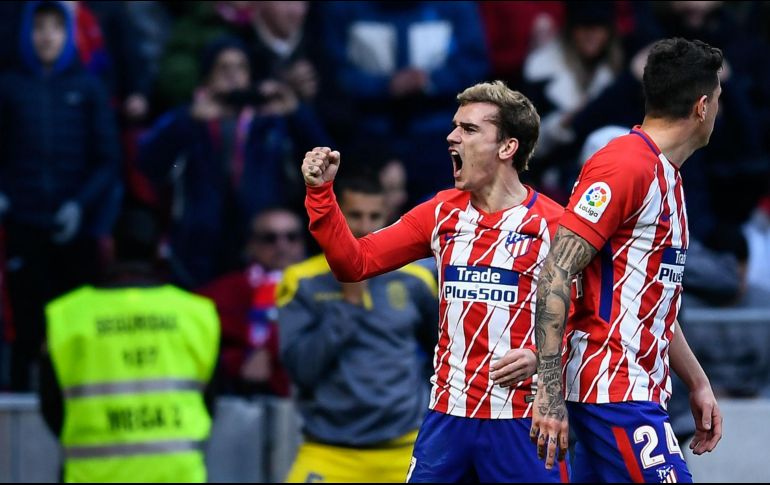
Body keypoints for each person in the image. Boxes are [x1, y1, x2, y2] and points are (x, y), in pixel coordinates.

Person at [299, 81, 567, 482]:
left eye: (469, 129)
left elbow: (594, 319)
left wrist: (545, 359)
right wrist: (321, 194)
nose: (451, 136)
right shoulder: (440, 213)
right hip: (448, 417)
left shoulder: (554, 224)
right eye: (455, 126)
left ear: (507, 147)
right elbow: (355, 263)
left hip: (520, 419)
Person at [530, 37, 724, 482]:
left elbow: (649, 299)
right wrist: (548, 390)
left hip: (638, 388)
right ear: (701, 106)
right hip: (614, 388)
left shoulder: (667, 175)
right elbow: (556, 272)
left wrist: (696, 380)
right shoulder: (624, 165)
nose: (717, 110)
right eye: (717, 100)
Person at [39, 207, 220, 483]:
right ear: (160, 248)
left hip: (91, 475)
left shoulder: (67, 315)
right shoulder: (197, 314)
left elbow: (51, 405)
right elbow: (209, 400)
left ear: (109, 247)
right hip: (176, 474)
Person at [278, 173, 438, 483]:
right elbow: (301, 370)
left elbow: (442, 355)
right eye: (355, 215)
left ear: (388, 216)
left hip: (404, 448)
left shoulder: (415, 280)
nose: (365, 226)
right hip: (328, 450)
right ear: (337, 215)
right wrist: (348, 306)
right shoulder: (302, 281)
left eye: (375, 216)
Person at [0, 0, 122, 390]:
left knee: (75, 324)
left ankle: (76, 398)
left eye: (56, 27)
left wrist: (79, 206)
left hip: (74, 229)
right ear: (26, 33)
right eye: (39, 27)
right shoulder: (8, 85)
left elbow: (108, 160)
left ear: (69, 33)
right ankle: (19, 403)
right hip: (22, 223)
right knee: (25, 323)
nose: (47, 36)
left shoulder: (87, 87)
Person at [198, 207, 306, 397]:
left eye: (291, 237)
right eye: (270, 238)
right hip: (239, 395)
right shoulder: (228, 289)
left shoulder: (322, 286)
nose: (282, 246)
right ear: (251, 245)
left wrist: (268, 352)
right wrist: (239, 360)